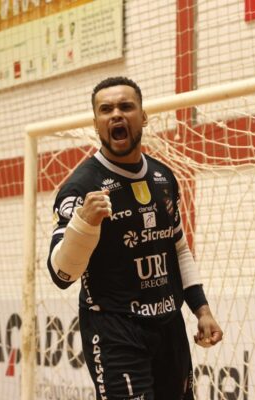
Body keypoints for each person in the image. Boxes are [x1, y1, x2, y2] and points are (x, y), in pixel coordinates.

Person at [47, 76, 223, 399]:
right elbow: (61, 274)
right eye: (106, 109)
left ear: (143, 116)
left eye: (126, 106)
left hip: (169, 327)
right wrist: (83, 225)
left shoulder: (163, 177)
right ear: (96, 122)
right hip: (115, 332)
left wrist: (202, 310)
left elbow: (178, 248)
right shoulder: (80, 187)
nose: (116, 114)